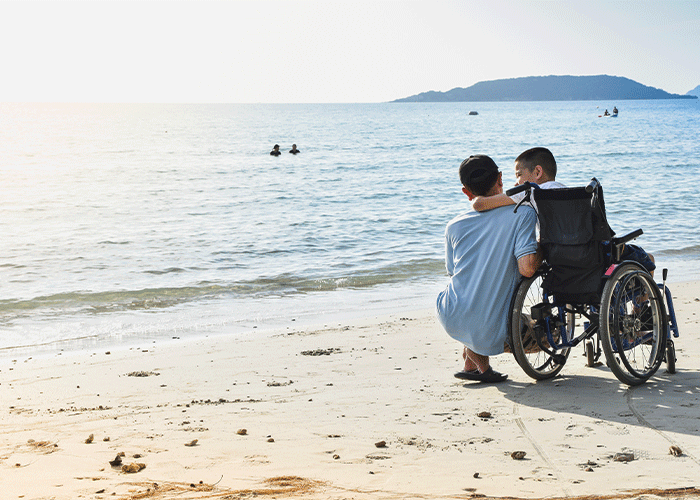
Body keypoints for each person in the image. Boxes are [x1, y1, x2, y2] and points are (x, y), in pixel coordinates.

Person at [436, 155, 541, 383]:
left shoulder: (453, 226)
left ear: (466, 192)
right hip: (488, 325)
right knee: (550, 335)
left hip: (450, 314)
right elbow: (528, 269)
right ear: (501, 178)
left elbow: (453, 271)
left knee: (472, 290)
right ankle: (478, 357)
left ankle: (472, 360)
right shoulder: (522, 213)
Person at [471, 147, 655, 273]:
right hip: (592, 256)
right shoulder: (567, 193)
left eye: (519, 175)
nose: (516, 182)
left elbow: (480, 204)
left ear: (537, 172)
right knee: (648, 260)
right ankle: (641, 311)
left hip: (556, 258)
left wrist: (475, 198)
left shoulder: (530, 192)